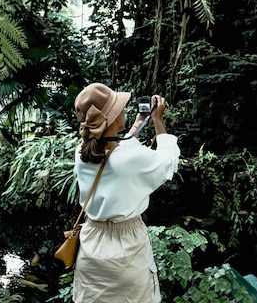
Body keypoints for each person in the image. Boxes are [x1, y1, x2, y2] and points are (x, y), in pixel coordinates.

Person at [72, 82, 180, 303]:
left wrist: (138, 125)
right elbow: (168, 163)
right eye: (119, 108)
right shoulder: (131, 158)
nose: (123, 111)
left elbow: (116, 151)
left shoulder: (81, 152)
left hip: (91, 247)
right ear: (110, 119)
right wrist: (157, 121)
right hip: (127, 252)